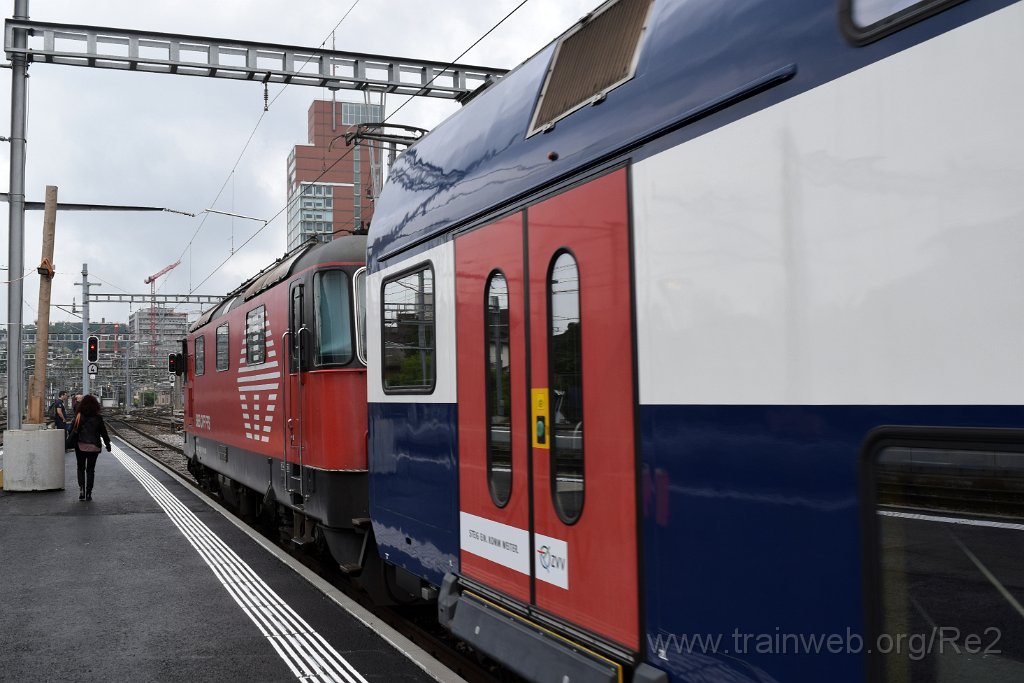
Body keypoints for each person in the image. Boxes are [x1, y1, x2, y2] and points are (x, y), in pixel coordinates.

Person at [71, 394, 112, 501]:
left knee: (80, 468)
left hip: (80, 445)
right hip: (94, 446)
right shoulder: (98, 417)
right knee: (90, 469)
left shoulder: (79, 415)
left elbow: (71, 429)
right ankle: (89, 493)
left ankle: (81, 490)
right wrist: (107, 444)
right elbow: (104, 432)